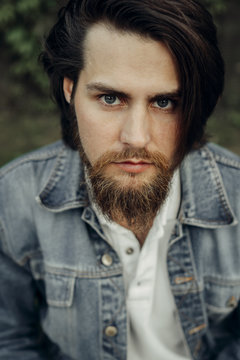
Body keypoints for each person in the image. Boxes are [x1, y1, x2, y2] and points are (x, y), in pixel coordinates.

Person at [0, 0, 239, 359]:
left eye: (165, 103)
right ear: (70, 90)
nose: (137, 137)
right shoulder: (14, 197)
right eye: (110, 98)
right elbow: (11, 339)